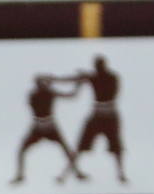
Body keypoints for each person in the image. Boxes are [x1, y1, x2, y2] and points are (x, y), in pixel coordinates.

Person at [54, 56, 127, 184]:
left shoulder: (109, 77)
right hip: (100, 115)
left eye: (99, 65)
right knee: (81, 146)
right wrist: (55, 79)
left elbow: (77, 79)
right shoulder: (98, 76)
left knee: (116, 147)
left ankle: (121, 174)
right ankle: (64, 175)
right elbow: (73, 79)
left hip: (107, 116)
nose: (98, 68)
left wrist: (81, 77)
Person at [10, 75, 86, 186]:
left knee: (66, 150)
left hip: (47, 126)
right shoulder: (38, 94)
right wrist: (78, 85)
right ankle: (20, 175)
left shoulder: (45, 93)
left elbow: (71, 95)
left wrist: (78, 85)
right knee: (22, 150)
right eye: (42, 83)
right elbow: (70, 95)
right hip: (41, 126)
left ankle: (77, 173)